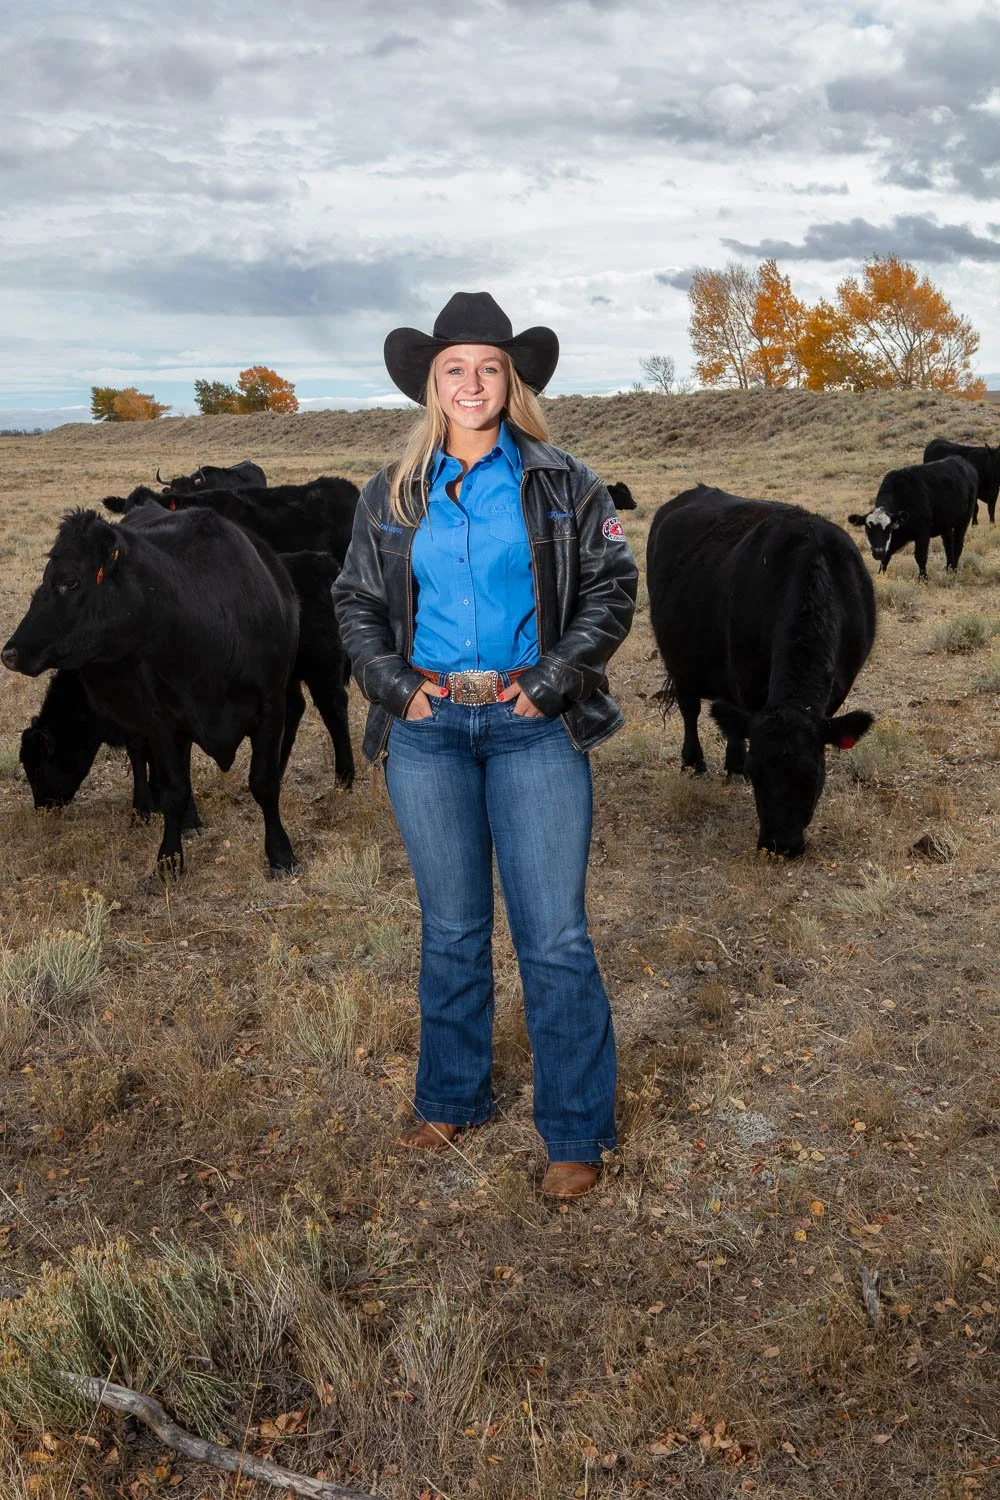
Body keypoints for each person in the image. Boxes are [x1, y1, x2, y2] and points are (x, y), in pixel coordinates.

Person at [333, 292, 637, 1199]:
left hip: (530, 726)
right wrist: (395, 688)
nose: (472, 384)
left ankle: (575, 1129)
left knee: (554, 937)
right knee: (453, 928)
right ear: (434, 384)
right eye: (455, 369)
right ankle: (452, 1095)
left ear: (513, 382)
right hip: (429, 729)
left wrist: (551, 686)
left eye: (489, 368)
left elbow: (612, 592)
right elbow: (354, 603)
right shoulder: (393, 492)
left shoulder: (564, 481)